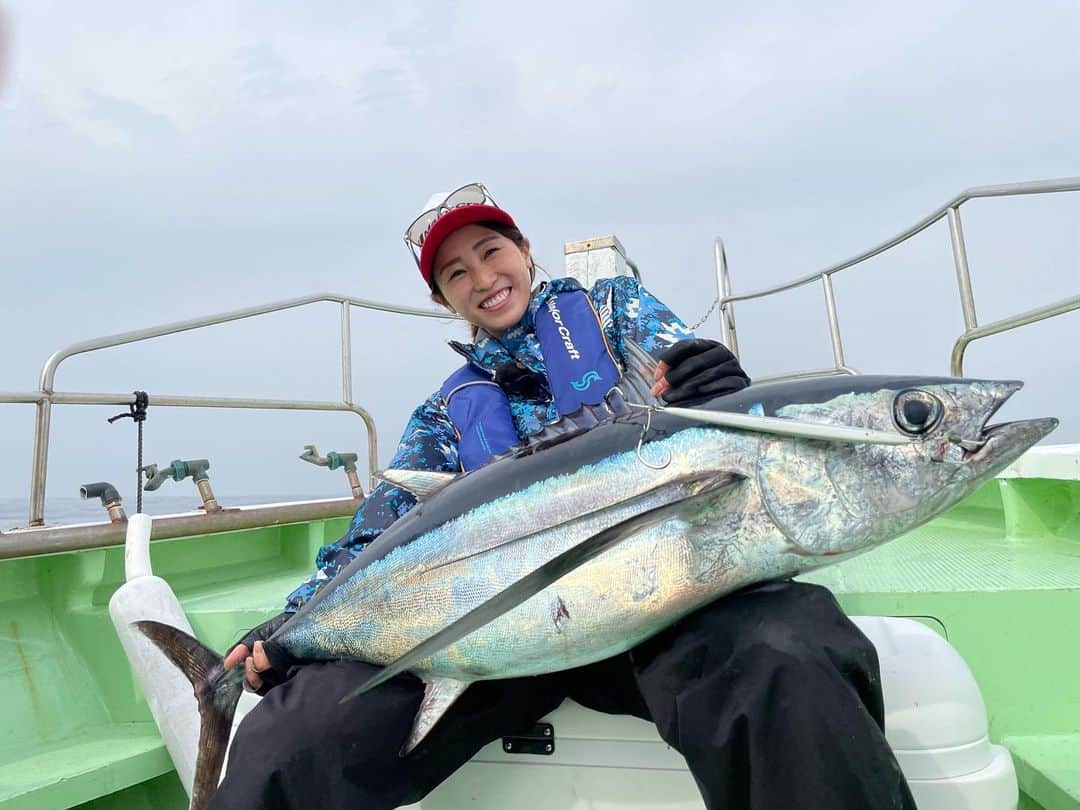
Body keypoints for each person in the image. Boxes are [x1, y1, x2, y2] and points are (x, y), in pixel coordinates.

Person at [211, 184, 916, 810]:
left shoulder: (613, 312)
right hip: (499, 643)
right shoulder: (441, 417)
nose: (484, 278)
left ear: (524, 247)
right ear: (441, 299)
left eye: (492, 252)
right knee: (296, 737)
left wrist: (722, 386)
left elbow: (701, 407)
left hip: (667, 600)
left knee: (785, 651)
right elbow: (375, 536)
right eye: (457, 274)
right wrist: (290, 624)